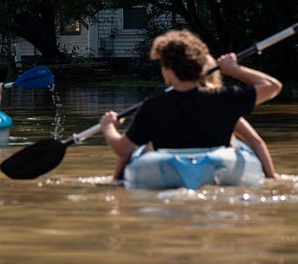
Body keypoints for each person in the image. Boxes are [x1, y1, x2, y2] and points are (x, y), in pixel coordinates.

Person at [100, 29, 282, 181]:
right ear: (201, 66)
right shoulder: (224, 99)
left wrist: (108, 126)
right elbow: (273, 86)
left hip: (168, 172)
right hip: (217, 166)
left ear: (168, 70)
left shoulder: (153, 106)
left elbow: (122, 149)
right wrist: (234, 70)